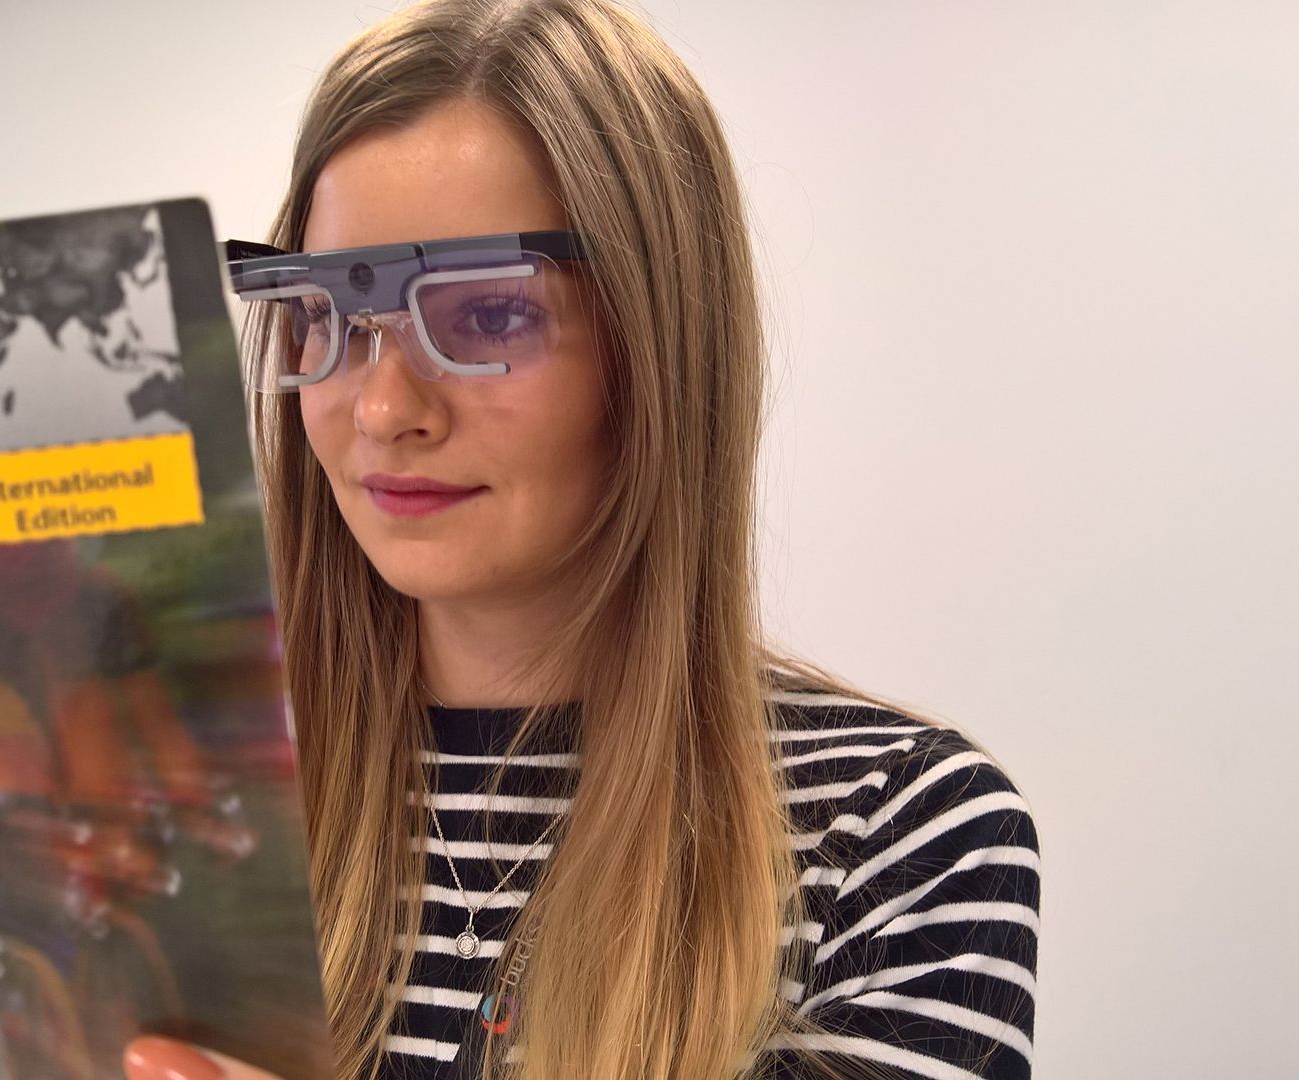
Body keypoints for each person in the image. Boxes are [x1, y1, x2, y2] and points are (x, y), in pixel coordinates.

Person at [127, 1, 1039, 1079]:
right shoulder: (182, 800)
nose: (380, 410)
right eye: (327, 316)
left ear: (659, 347)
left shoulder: (898, 837)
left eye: (487, 316)